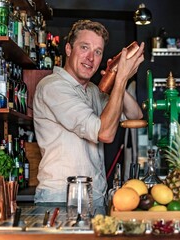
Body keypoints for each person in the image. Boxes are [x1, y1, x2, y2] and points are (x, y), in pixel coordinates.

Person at [33, 20, 145, 215]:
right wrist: (119, 80)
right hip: (60, 198)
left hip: (96, 196)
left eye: (98, 52)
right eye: (84, 47)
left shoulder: (93, 91)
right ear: (68, 49)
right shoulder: (53, 87)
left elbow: (135, 116)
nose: (90, 58)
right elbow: (105, 133)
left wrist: (120, 78)